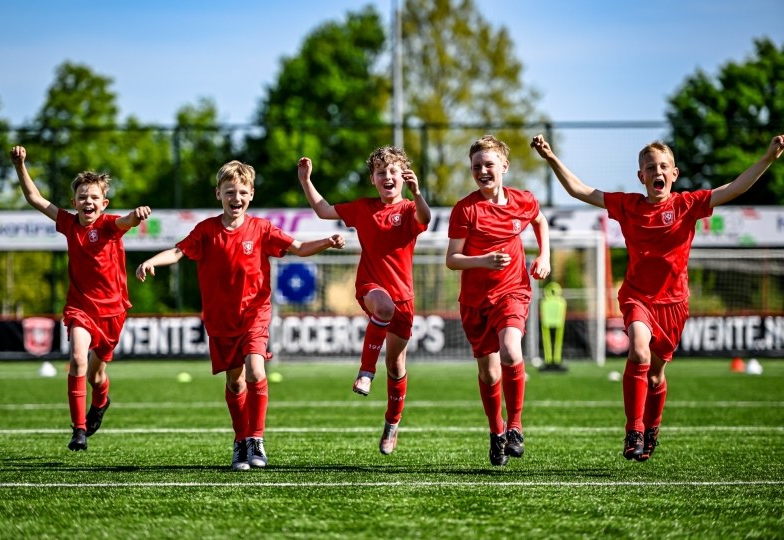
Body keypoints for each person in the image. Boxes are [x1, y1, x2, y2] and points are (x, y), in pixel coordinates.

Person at [530, 132, 784, 461]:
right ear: (642, 176)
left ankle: (652, 428)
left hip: (674, 304)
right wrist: (551, 158)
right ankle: (633, 430)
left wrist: (767, 159)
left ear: (674, 174)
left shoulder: (687, 205)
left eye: (664, 166)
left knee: (655, 375)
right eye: (650, 167)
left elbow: (734, 188)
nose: (657, 171)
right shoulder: (628, 205)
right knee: (638, 350)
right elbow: (581, 189)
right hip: (638, 297)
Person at [136, 160, 344, 471]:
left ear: (251, 195)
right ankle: (240, 440)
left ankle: (256, 440)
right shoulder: (206, 230)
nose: (236, 197)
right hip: (221, 321)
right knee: (235, 384)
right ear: (218, 194)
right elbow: (178, 252)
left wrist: (326, 242)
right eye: (230, 191)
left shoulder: (261, 229)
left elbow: (298, 248)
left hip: (254, 315)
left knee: (256, 372)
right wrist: (153, 260)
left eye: (242, 192)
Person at [10, 145, 151, 452]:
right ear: (74, 202)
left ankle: (100, 404)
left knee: (97, 375)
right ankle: (79, 430)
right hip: (80, 309)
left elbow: (125, 221)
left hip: (113, 312)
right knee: (76, 360)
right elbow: (35, 199)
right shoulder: (68, 223)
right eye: (82, 197)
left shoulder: (109, 225)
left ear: (104, 204)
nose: (88, 201)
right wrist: (20, 165)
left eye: (94, 197)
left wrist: (136, 216)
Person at [297, 146, 431, 455]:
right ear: (372, 179)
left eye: (393, 172)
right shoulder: (363, 207)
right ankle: (365, 372)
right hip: (371, 287)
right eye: (381, 172)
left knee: (396, 364)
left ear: (403, 177)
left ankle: (392, 425)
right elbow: (323, 209)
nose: (387, 177)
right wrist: (306, 180)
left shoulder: (410, 208)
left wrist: (419, 193)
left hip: (404, 298)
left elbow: (426, 217)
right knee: (383, 307)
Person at [446, 134, 551, 466]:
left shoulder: (523, 200)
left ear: (504, 166)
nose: (483, 171)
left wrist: (544, 255)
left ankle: (516, 426)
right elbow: (452, 259)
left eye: (489, 164)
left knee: (511, 349)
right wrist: (483, 260)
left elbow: (539, 220)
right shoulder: (465, 209)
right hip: (475, 302)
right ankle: (497, 432)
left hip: (513, 293)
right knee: (490, 374)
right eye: (477, 166)